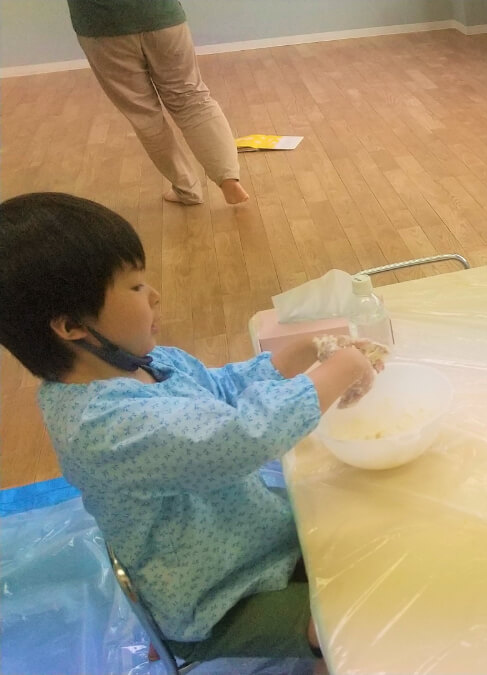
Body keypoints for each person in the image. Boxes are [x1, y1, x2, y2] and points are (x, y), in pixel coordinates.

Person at [0, 192, 383, 663]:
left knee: (366, 533)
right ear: (71, 326)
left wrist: (302, 352)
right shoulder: (103, 428)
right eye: (135, 287)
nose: (154, 295)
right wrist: (342, 368)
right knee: (356, 621)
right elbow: (243, 438)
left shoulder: (145, 363)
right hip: (221, 598)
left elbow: (220, 390)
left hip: (259, 539)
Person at [67, 0, 249, 205]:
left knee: (144, 114)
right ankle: (229, 179)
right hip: (161, 15)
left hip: (101, 26)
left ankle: (187, 189)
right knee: (192, 99)